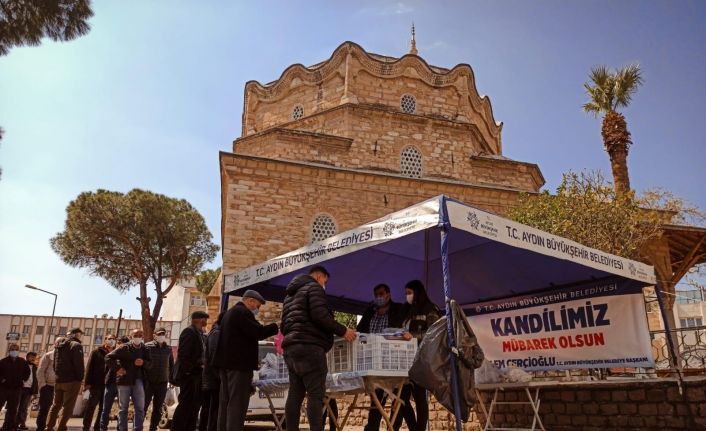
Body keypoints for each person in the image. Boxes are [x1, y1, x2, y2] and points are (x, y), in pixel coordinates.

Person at [281, 266, 356, 431]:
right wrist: (344, 331)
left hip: (291, 348)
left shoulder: (289, 296)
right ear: (319, 276)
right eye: (325, 281)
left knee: (295, 395)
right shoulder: (314, 288)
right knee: (315, 397)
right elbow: (320, 315)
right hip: (310, 348)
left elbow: (283, 325)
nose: (324, 284)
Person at [214, 291, 278, 431]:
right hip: (238, 366)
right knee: (237, 403)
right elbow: (258, 332)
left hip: (226, 366)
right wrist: (276, 327)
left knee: (226, 403)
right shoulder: (242, 313)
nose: (258, 309)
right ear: (250, 301)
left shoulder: (229, 313)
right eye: (258, 305)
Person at [395, 280, 441, 431]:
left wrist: (413, 336)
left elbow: (434, 334)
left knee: (420, 398)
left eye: (409, 292)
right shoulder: (405, 309)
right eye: (406, 293)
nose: (407, 296)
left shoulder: (430, 309)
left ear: (417, 292)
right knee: (400, 397)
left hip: (421, 359)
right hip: (404, 359)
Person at [358, 284, 405, 431]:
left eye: (381, 294)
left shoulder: (398, 309)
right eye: (376, 294)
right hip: (374, 362)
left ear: (388, 295)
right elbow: (360, 332)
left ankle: (393, 428)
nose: (379, 297)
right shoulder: (369, 312)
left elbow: (403, 330)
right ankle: (372, 427)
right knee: (376, 398)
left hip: (394, 360)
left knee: (396, 398)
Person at [105, 330, 152, 431]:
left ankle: (138, 428)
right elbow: (108, 357)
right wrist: (118, 369)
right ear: (131, 337)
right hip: (124, 381)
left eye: (140, 335)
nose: (138, 337)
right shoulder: (124, 347)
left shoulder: (145, 349)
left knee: (140, 408)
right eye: (135, 335)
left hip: (138, 381)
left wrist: (143, 362)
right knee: (123, 409)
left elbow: (150, 364)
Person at [171, 311, 209, 431]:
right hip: (189, 376)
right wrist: (191, 370)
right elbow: (184, 355)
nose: (206, 322)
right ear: (198, 320)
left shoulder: (199, 334)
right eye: (204, 319)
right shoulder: (189, 332)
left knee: (194, 406)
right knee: (185, 405)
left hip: (197, 376)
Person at [47, 328, 85, 431]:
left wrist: (58, 375)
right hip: (72, 381)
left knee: (55, 405)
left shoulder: (58, 345)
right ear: (76, 334)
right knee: (68, 406)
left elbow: (54, 364)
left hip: (59, 380)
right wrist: (80, 378)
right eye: (80, 334)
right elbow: (79, 365)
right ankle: (61, 427)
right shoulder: (76, 345)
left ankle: (49, 427)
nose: (80, 336)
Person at [82, 334, 115, 431]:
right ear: (105, 340)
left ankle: (97, 427)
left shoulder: (116, 353)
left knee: (103, 408)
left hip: (108, 385)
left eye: (113, 339)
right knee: (90, 407)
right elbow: (89, 368)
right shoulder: (96, 352)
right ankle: (86, 427)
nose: (111, 341)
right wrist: (87, 383)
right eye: (109, 339)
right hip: (96, 384)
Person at [144, 328, 174, 431]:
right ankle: (138, 427)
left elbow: (171, 365)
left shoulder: (168, 349)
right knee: (143, 406)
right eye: (159, 334)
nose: (162, 335)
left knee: (158, 408)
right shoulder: (147, 346)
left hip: (162, 382)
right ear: (154, 335)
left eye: (163, 334)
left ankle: (153, 428)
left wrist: (172, 379)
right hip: (149, 382)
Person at [198, 313, 222, 431]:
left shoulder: (214, 332)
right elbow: (213, 357)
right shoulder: (217, 333)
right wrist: (219, 376)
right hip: (213, 379)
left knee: (208, 408)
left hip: (210, 378)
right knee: (211, 409)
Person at [100, 336, 128, 431]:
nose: (121, 345)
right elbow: (107, 364)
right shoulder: (113, 353)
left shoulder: (129, 355)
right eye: (120, 342)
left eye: (124, 343)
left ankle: (120, 428)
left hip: (123, 384)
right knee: (106, 408)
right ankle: (103, 427)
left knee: (122, 409)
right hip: (111, 383)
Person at [0, 343, 31, 431]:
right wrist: (2, 380)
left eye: (16, 349)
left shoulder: (22, 361)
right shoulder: (3, 361)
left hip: (16, 389)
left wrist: (23, 380)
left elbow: (27, 372)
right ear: (9, 350)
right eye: (13, 349)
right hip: (3, 388)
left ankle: (9, 427)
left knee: (13, 409)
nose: (14, 351)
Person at [36, 337, 64, 431]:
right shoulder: (48, 355)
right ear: (55, 343)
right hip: (47, 386)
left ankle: (49, 426)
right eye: (59, 342)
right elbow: (40, 371)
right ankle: (40, 427)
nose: (61, 344)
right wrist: (42, 385)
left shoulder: (65, 357)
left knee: (55, 409)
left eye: (63, 342)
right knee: (44, 408)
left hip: (58, 387)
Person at [15, 351, 38, 430]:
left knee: (24, 408)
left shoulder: (35, 367)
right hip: (20, 388)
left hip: (29, 390)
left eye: (34, 358)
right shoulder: (21, 364)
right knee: (16, 406)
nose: (33, 359)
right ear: (27, 357)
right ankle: (14, 424)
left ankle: (22, 424)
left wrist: (35, 392)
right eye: (32, 357)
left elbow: (35, 379)